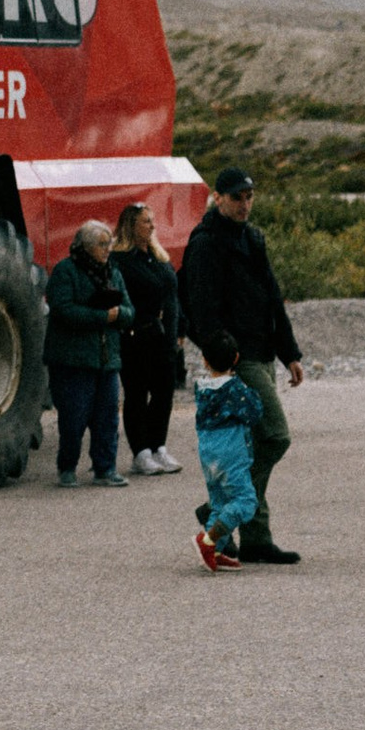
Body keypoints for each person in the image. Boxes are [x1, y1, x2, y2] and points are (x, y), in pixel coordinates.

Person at [179, 168, 305, 564]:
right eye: (237, 197)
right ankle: (219, 513)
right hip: (238, 358)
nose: (244, 204)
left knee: (252, 446)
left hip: (263, 352)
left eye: (249, 197)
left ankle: (254, 536)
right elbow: (200, 309)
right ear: (218, 198)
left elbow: (272, 296)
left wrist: (290, 354)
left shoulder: (252, 238)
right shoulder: (205, 244)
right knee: (275, 436)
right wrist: (223, 357)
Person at [43, 219, 134, 487]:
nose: (108, 250)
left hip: (107, 359)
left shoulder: (112, 273)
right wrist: (101, 317)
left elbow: (129, 310)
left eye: (110, 244)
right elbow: (62, 310)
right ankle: (67, 466)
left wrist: (119, 316)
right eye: (102, 245)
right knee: (73, 417)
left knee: (107, 417)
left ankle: (105, 468)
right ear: (85, 246)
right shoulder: (65, 271)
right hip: (72, 360)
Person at [112, 203, 186, 476]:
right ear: (132, 226)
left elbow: (173, 296)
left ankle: (159, 447)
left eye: (153, 220)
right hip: (137, 337)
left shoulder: (158, 258)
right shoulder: (120, 261)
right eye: (146, 221)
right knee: (137, 393)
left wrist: (180, 330)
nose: (152, 226)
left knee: (164, 392)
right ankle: (140, 452)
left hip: (164, 336)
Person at [190, 328, 261, 572]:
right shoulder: (234, 389)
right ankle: (208, 541)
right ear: (236, 359)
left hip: (207, 452)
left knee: (219, 501)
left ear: (204, 360)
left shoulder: (202, 388)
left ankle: (215, 550)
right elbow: (255, 412)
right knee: (246, 501)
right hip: (231, 455)